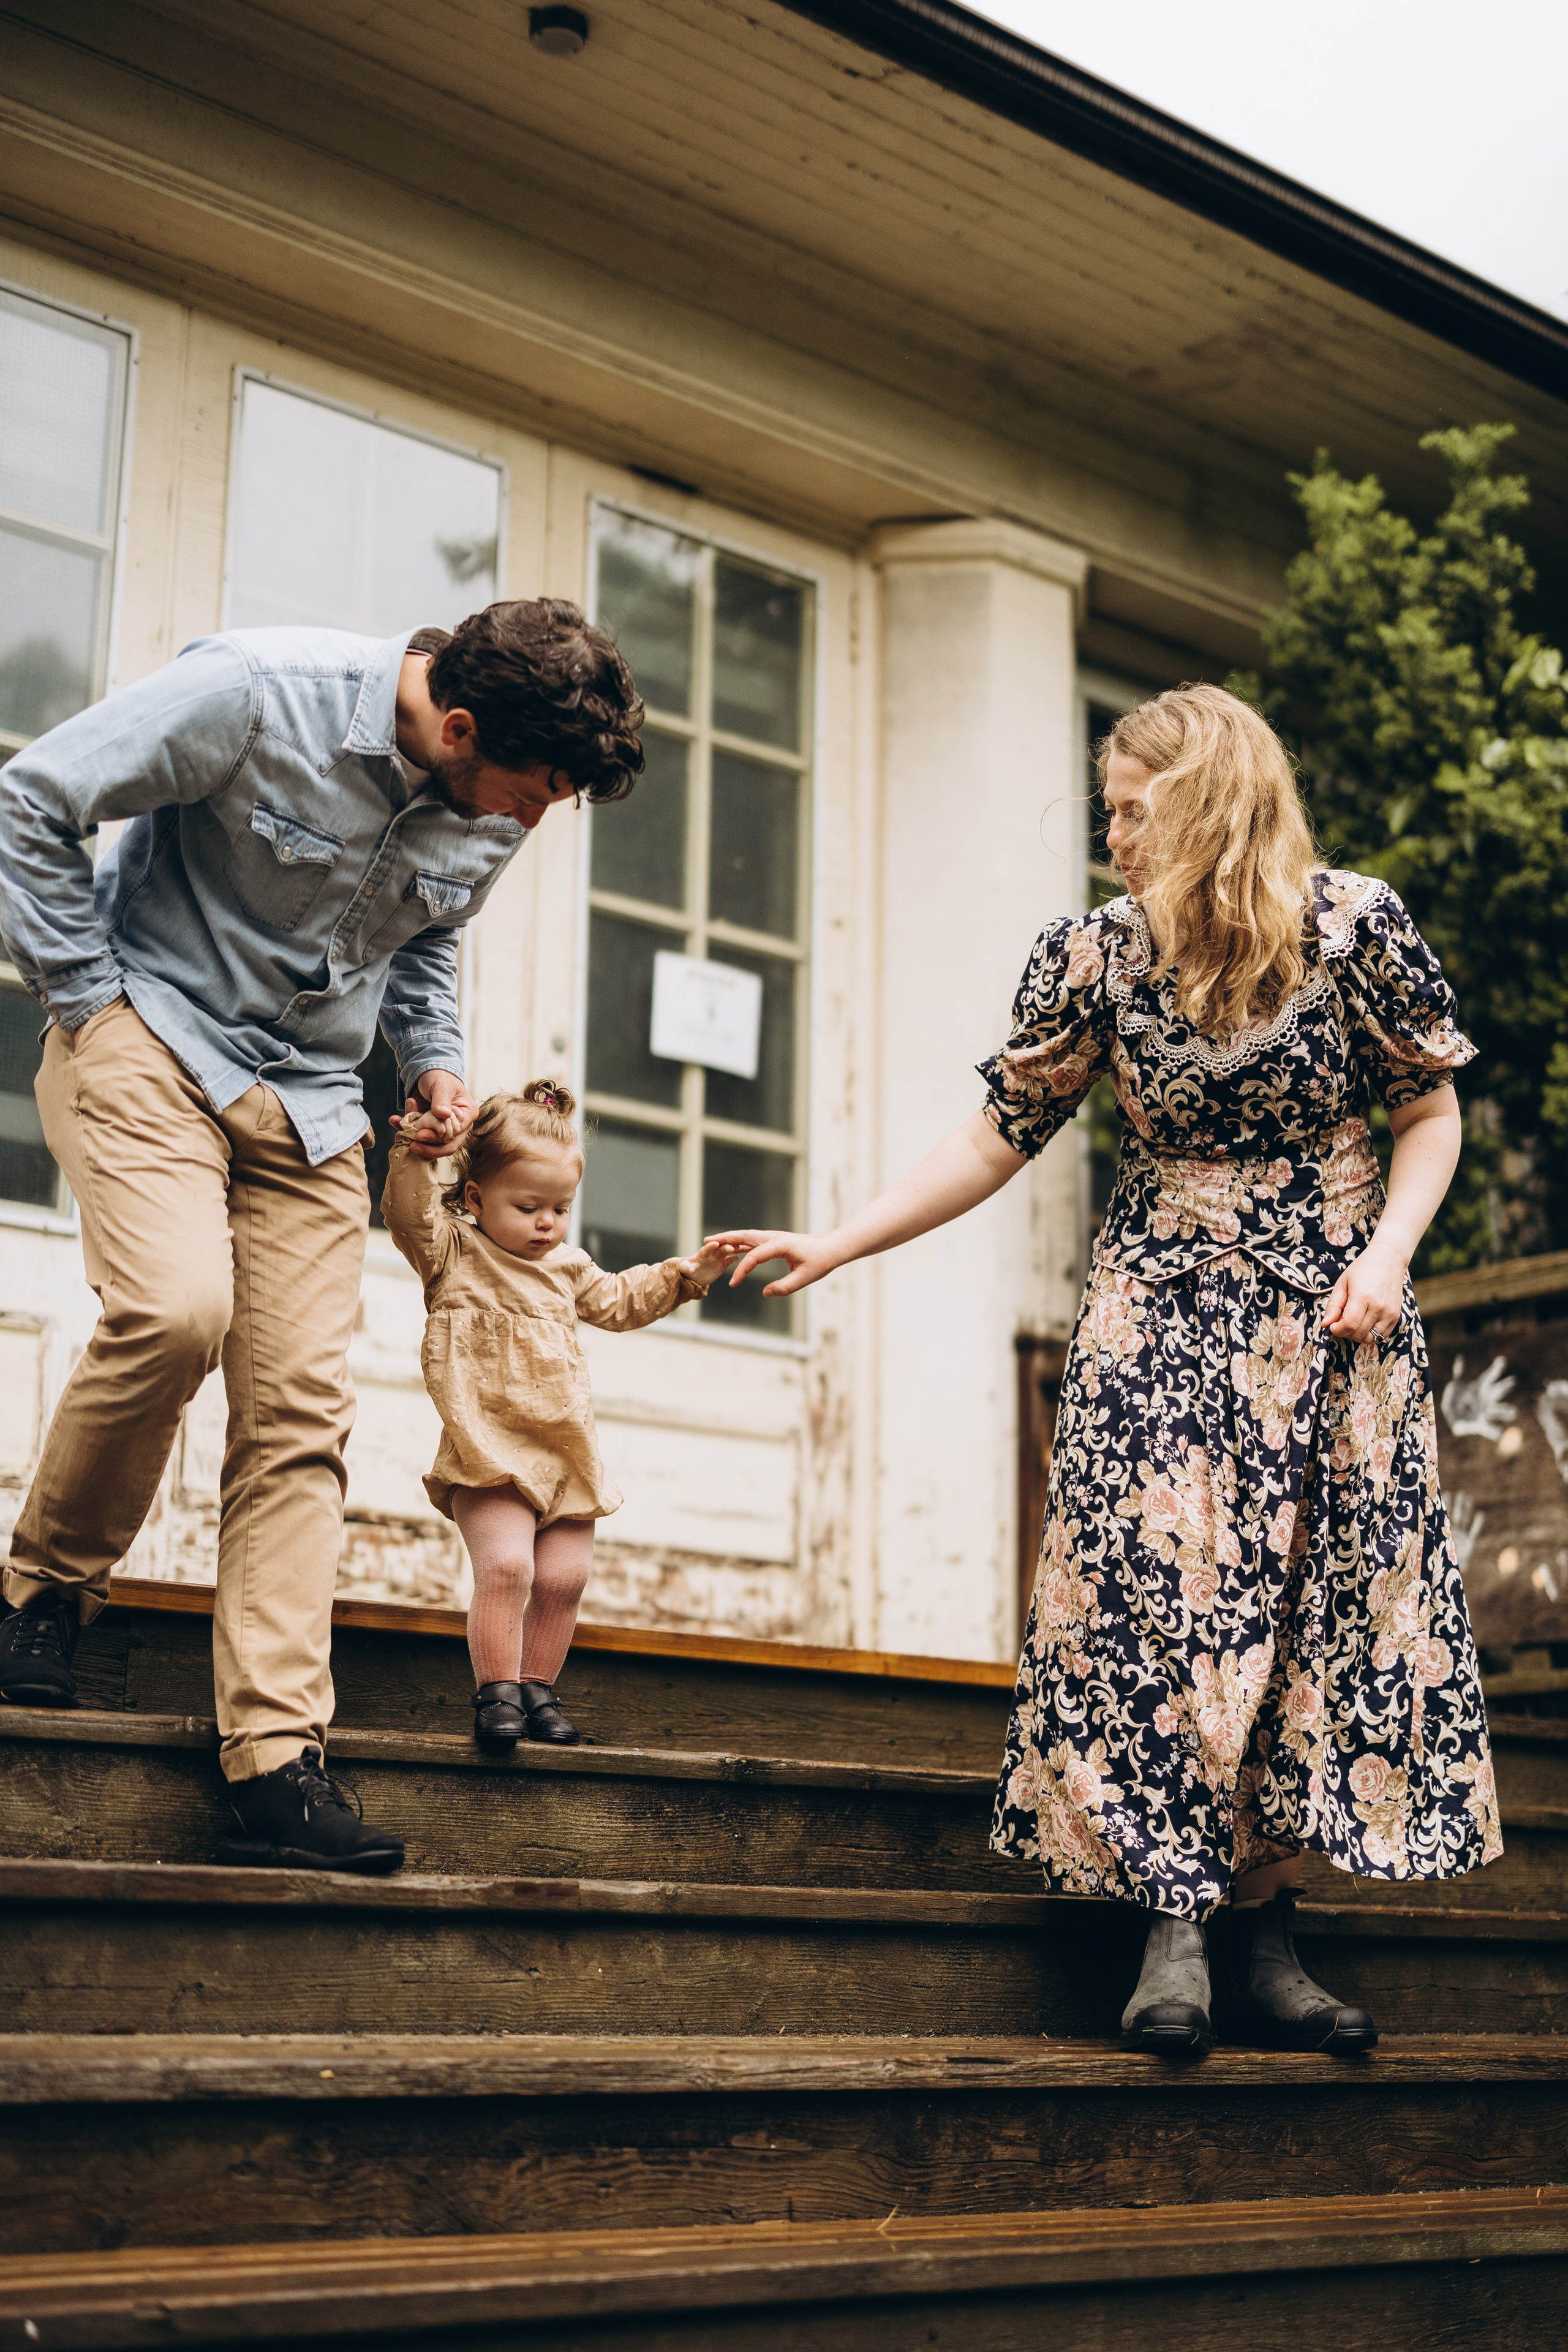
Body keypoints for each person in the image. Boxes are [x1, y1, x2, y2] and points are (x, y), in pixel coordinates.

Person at [713, 682, 1501, 2055]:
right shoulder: (1092, 957)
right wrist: (838, 1240)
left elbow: (1425, 1110)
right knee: (1153, 1586)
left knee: (1307, 1605)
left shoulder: (1352, 928)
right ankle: (1169, 1927)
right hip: (1159, 1299)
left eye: (1132, 812)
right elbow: (996, 1131)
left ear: (1204, 805)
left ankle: (1265, 1932)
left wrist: (1383, 1257)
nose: (1111, 836)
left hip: (1331, 1307)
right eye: (1106, 811)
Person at [0, 603, 643, 1873]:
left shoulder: (491, 797)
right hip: (151, 1039)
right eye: (526, 794)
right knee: (180, 1309)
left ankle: (275, 1760)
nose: (529, 822)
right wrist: (85, 995)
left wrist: (440, 1066)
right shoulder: (251, 693)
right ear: (456, 727)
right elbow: (32, 798)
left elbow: (425, 948)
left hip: (311, 1102)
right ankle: (43, 1592)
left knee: (300, 1409)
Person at [382, 1081, 738, 1746]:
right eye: (528, 1207)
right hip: (487, 1448)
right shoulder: (452, 1253)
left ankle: (539, 1692)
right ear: (478, 1198)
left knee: (566, 1577)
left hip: (565, 1450)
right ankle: (498, 1696)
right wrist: (413, 1152)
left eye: (561, 1209)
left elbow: (621, 1301)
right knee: (509, 1569)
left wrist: (689, 1274)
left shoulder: (566, 1267)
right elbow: (407, 1214)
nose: (547, 1223)